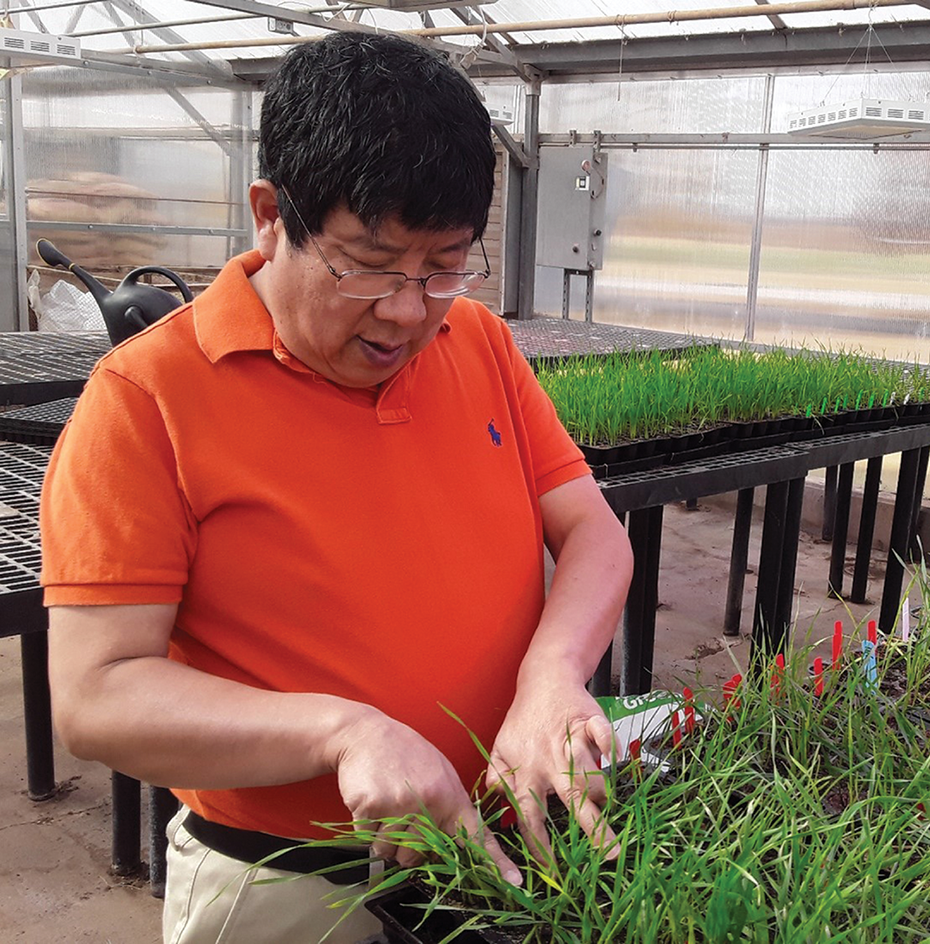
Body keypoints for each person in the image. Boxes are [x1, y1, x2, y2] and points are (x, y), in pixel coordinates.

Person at [40, 31, 633, 944]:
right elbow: (95, 693)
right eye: (368, 261)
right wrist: (343, 733)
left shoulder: (476, 341)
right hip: (288, 872)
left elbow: (592, 531)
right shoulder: (146, 400)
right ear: (272, 216)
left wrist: (553, 675)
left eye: (443, 263)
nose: (407, 308)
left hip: (498, 841)